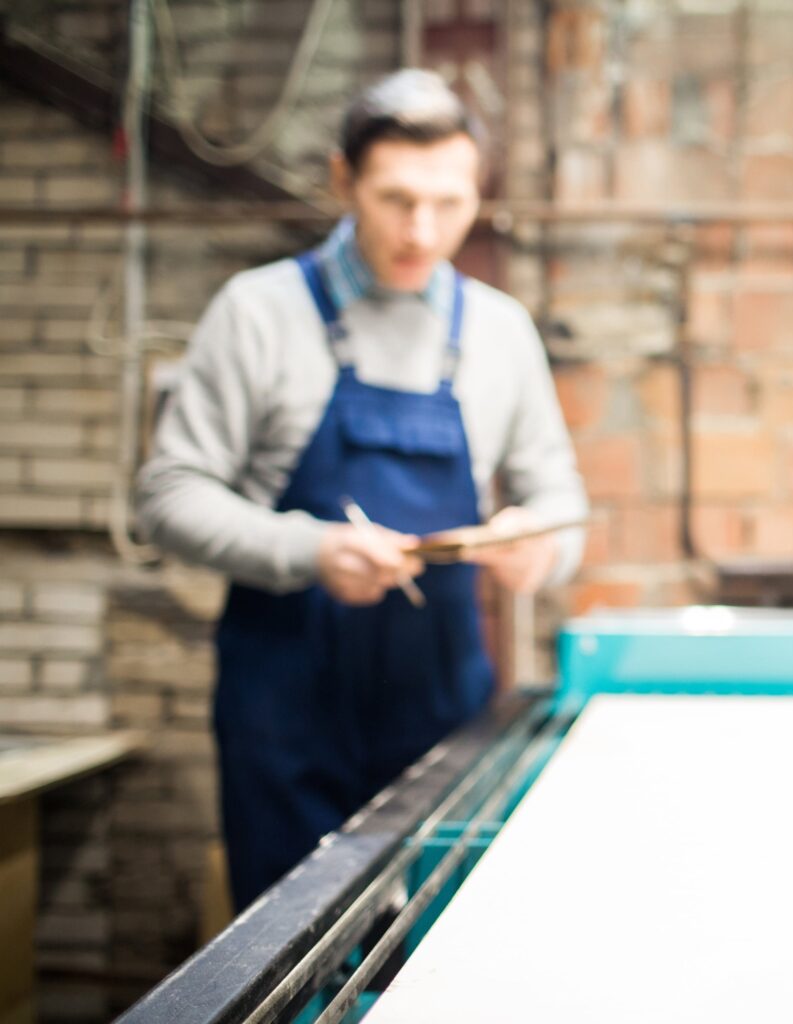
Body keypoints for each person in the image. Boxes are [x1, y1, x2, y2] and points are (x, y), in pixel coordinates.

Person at [137, 69, 587, 910]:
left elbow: (561, 498)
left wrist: (544, 547)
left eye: (449, 205)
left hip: (444, 718)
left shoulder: (499, 330)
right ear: (343, 182)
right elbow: (168, 495)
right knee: (289, 966)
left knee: (433, 955)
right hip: (284, 717)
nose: (422, 231)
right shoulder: (258, 311)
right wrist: (307, 549)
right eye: (395, 200)